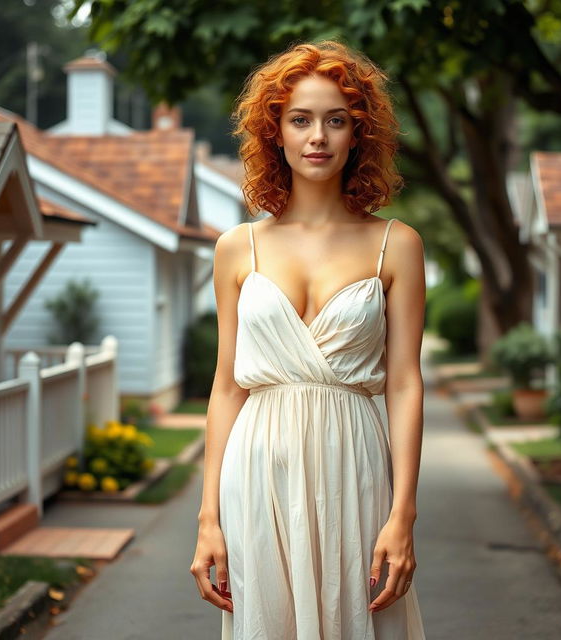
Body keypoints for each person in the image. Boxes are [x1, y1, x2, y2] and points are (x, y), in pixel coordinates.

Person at [190, 39, 427, 639]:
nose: (317, 136)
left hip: (357, 465)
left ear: (358, 135)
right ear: (276, 133)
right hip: (257, 471)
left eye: (335, 120)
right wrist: (208, 517)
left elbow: (404, 383)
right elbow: (226, 386)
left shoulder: (396, 244)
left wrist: (403, 515)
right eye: (300, 119)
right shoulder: (235, 249)